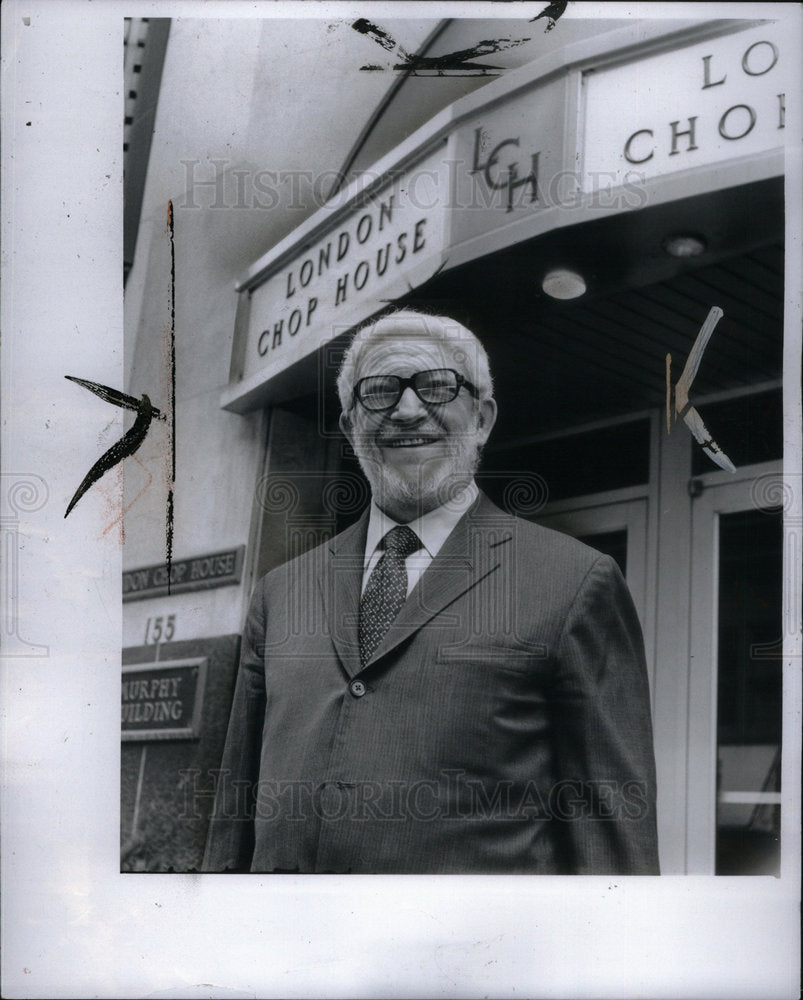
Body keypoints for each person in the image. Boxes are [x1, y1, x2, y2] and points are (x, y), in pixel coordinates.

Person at [203, 310, 659, 874]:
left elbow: (612, 843)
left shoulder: (574, 582)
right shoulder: (282, 590)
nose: (408, 409)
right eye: (380, 391)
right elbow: (233, 818)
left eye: (438, 386)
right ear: (349, 429)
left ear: (483, 418)